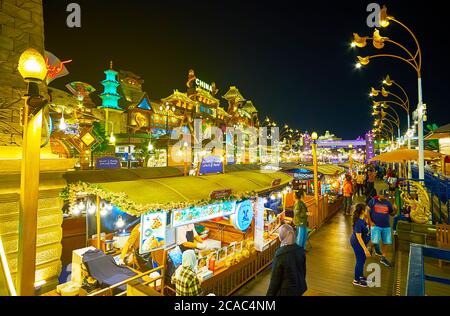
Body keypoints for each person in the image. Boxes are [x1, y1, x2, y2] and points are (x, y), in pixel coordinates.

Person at [266, 224, 307, 296]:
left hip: (286, 291)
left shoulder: (280, 254)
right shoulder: (300, 250)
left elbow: (275, 280)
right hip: (299, 288)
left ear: (281, 237)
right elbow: (303, 272)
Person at [367, 189, 396, 267]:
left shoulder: (388, 203)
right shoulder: (373, 201)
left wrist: (395, 210)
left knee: (385, 242)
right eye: (384, 195)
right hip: (375, 225)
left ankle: (383, 257)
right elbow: (367, 211)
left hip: (386, 226)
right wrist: (370, 222)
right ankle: (369, 248)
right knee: (375, 241)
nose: (386, 197)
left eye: (387, 196)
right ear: (379, 195)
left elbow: (392, 214)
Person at [350, 203, 371, 287]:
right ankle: (356, 280)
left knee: (362, 260)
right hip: (357, 243)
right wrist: (365, 249)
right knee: (360, 260)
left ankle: (360, 276)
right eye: (366, 209)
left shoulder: (363, 219)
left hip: (362, 243)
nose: (367, 211)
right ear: (362, 211)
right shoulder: (358, 222)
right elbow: (359, 237)